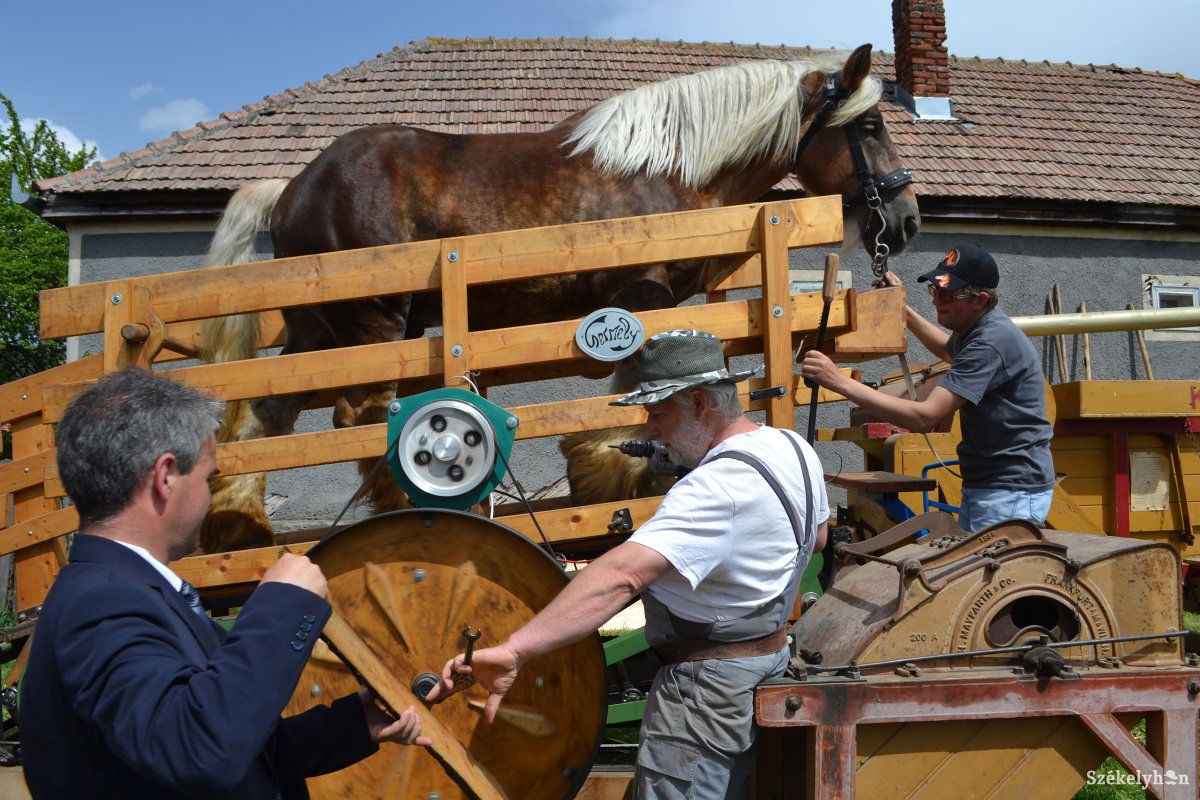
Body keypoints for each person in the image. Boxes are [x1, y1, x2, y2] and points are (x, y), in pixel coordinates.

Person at [429, 329, 828, 800]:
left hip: (705, 692)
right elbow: (817, 536)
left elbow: (623, 575)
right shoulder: (789, 447)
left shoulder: (716, 488)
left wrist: (516, 649)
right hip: (763, 659)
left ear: (700, 404)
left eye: (658, 413)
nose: (649, 430)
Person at [20, 367, 431, 799]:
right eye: (208, 478)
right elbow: (194, 750)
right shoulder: (103, 602)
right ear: (164, 478)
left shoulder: (128, 590)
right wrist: (280, 606)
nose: (211, 496)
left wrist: (353, 725)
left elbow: (224, 740)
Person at [801, 243, 1055, 532]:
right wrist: (904, 312)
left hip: (1009, 491)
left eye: (948, 295)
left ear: (981, 299)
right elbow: (950, 351)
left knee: (985, 574)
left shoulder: (989, 341)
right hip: (992, 485)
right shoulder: (980, 329)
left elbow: (924, 417)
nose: (936, 301)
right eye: (935, 291)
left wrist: (838, 381)